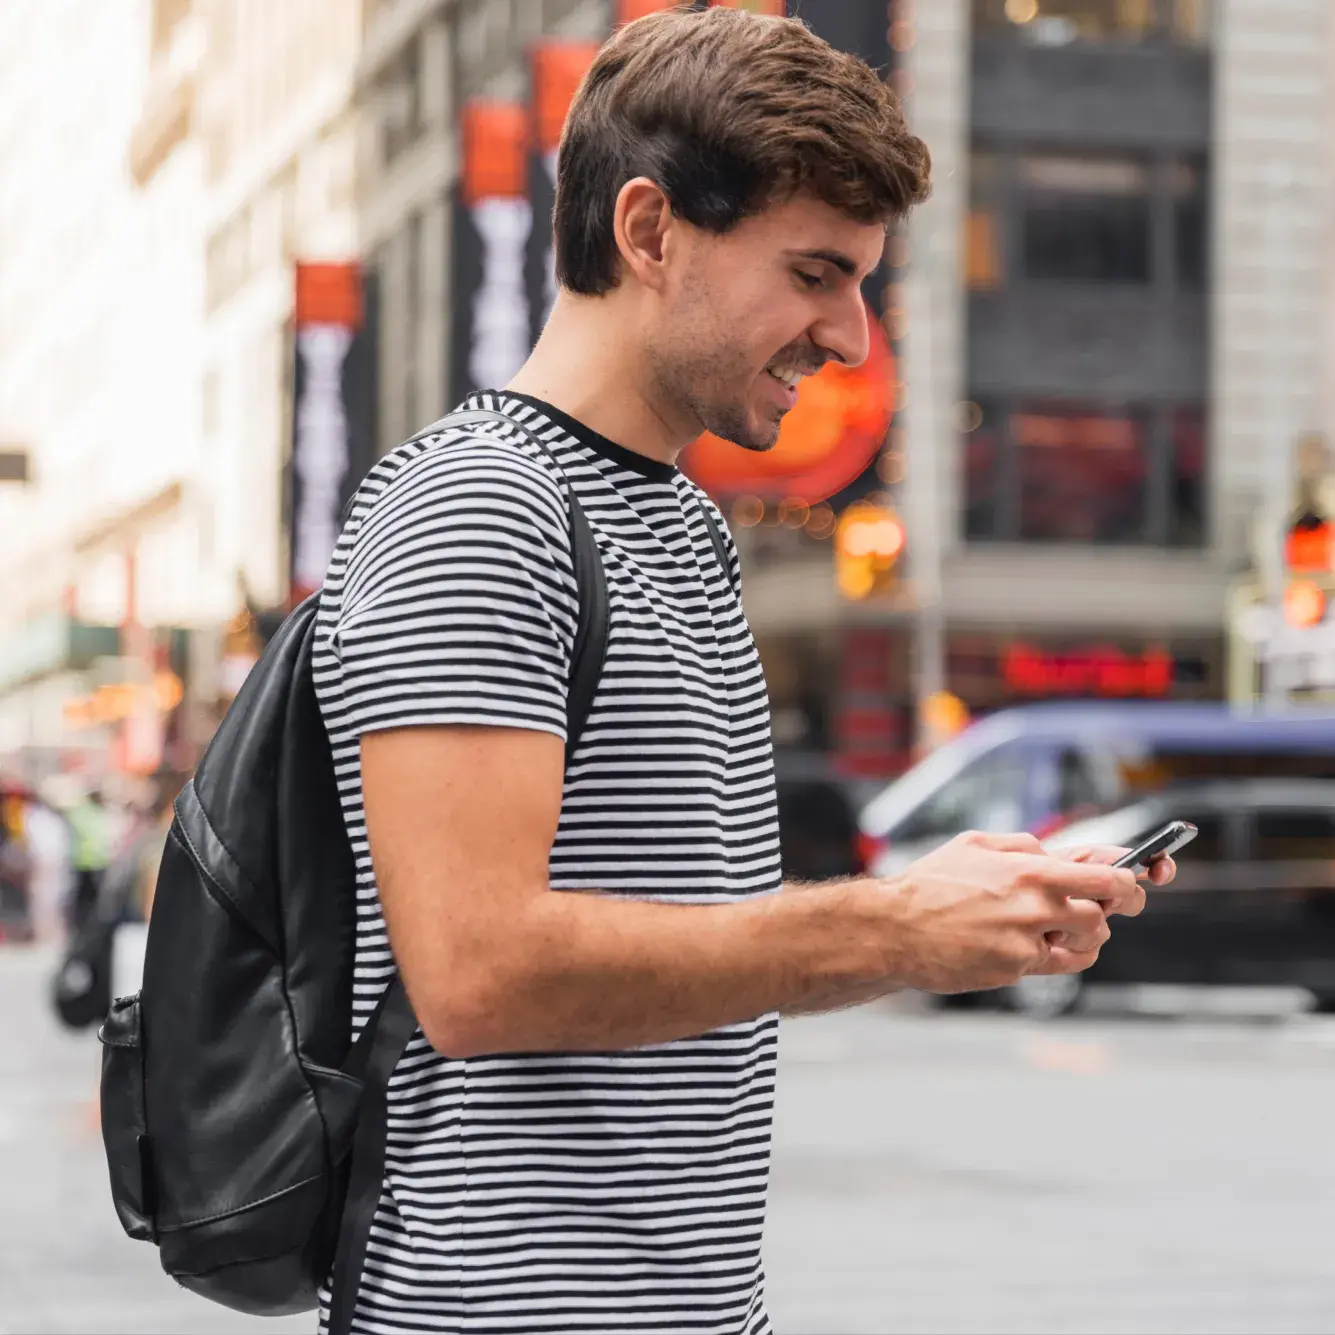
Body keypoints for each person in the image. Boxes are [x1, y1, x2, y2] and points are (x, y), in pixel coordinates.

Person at [311, 9, 1174, 1333]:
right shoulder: (483, 506)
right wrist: (890, 928)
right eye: (817, 273)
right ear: (650, 231)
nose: (852, 338)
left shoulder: (681, 526)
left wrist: (941, 908)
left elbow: (686, 942)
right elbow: (477, 973)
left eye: (862, 283)